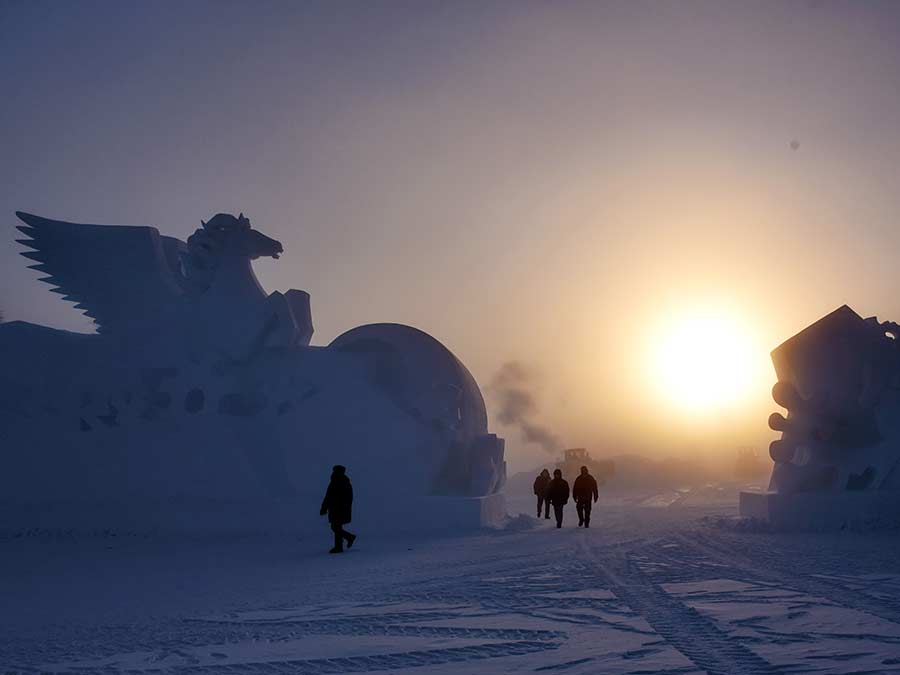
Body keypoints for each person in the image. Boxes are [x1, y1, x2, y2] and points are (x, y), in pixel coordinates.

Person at [319, 464, 357, 553]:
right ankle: (339, 546)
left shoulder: (336, 481)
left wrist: (324, 508)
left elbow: (328, 496)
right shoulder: (345, 482)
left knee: (335, 527)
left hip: (337, 508)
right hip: (341, 508)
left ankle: (348, 539)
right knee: (336, 526)